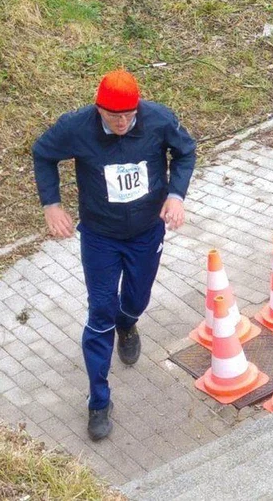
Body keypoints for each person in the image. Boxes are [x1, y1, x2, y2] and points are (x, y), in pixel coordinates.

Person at [32, 69, 196, 441]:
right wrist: (51, 205)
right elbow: (42, 153)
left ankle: (129, 322)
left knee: (136, 301)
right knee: (100, 311)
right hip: (100, 237)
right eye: (113, 116)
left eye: (128, 115)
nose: (122, 123)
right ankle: (99, 400)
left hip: (145, 232)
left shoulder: (158, 119)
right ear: (99, 109)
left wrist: (176, 195)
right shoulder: (76, 127)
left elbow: (185, 152)